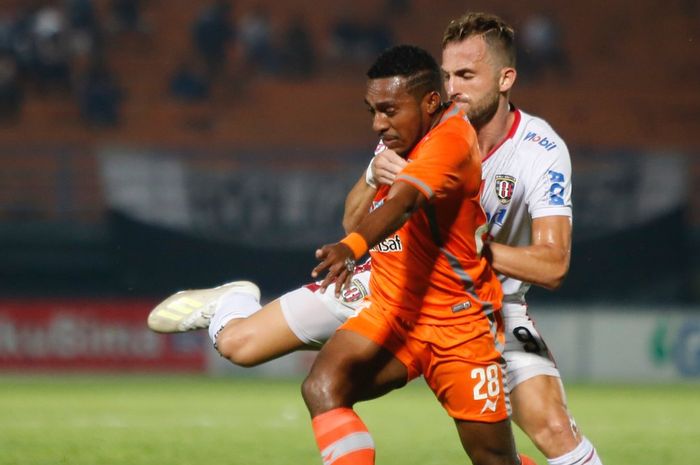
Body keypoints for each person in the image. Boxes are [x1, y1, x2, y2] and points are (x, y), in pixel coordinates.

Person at [147, 12, 603, 465]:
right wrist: (371, 174)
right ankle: (232, 300)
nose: (453, 88)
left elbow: (552, 265)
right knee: (240, 347)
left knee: (552, 429)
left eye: (466, 75)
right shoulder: (412, 126)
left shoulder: (539, 150)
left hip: (483, 306)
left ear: (505, 79)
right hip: (382, 284)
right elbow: (354, 220)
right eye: (446, 75)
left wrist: (470, 250)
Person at [307, 43, 519, 465]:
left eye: (388, 110)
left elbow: (403, 201)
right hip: (395, 308)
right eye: (371, 111)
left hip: (458, 324)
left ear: (430, 102)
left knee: (494, 460)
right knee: (323, 386)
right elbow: (357, 214)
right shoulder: (402, 141)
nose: (377, 124)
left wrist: (350, 249)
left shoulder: (451, 141)